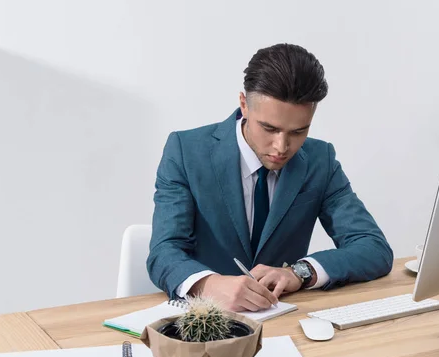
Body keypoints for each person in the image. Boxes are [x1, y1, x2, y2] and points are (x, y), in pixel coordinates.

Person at [147, 43, 393, 312]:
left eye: (298, 131)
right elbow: (164, 252)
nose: (281, 147)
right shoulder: (185, 151)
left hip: (283, 319)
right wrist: (208, 284)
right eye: (269, 128)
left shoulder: (320, 160)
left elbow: (373, 247)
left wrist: (300, 272)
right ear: (244, 105)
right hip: (206, 323)